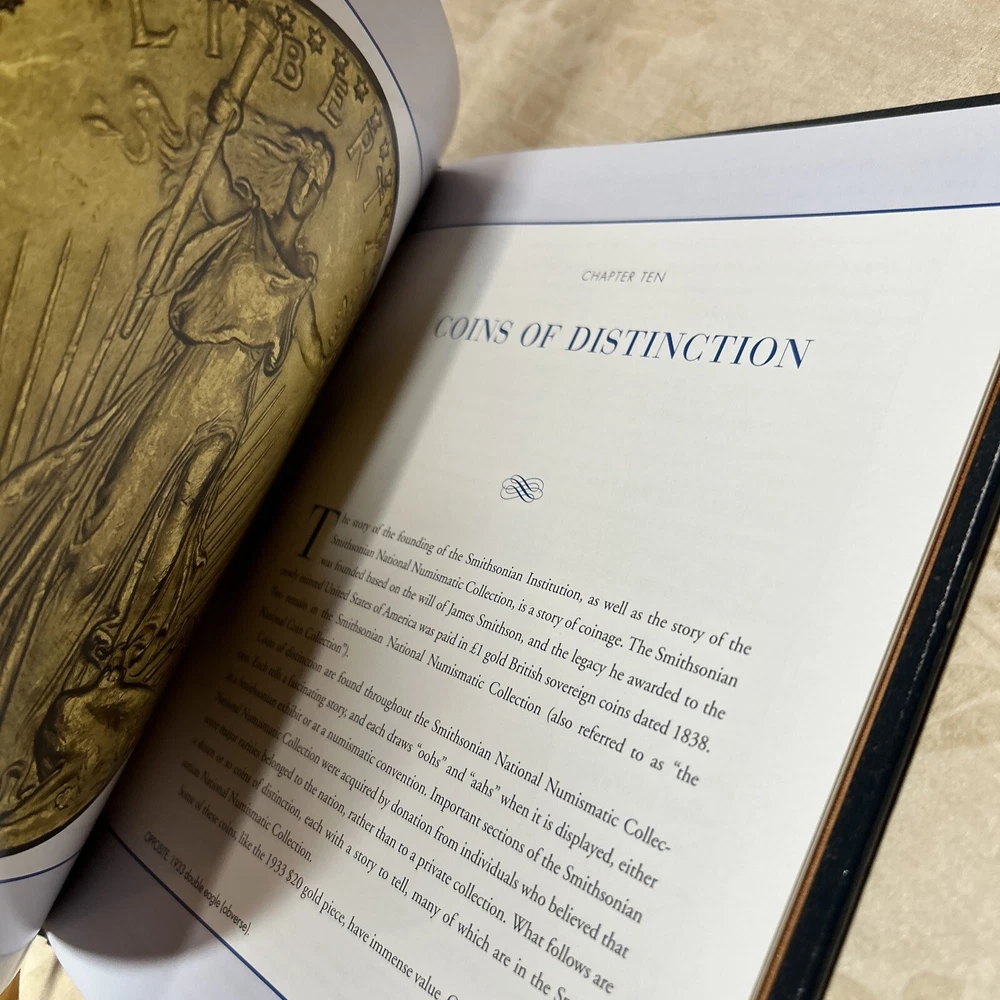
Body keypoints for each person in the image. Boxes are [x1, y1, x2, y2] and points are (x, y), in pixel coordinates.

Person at [0, 86, 336, 853]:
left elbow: (315, 347)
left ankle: (82, 689)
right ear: (286, 177)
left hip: (224, 423)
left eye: (316, 179)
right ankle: (17, 713)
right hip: (175, 405)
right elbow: (210, 182)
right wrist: (218, 124)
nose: (308, 188)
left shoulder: (304, 272)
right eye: (303, 171)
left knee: (158, 564)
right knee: (94, 548)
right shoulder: (245, 228)